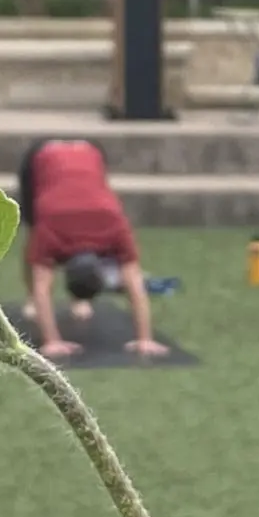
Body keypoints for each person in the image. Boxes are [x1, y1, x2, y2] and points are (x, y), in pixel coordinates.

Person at [15, 137, 168, 360]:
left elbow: (44, 286)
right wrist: (145, 338)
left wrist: (53, 342)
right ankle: (37, 300)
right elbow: (135, 283)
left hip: (89, 154)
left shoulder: (115, 225)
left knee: (38, 251)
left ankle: (79, 300)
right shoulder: (54, 230)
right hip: (46, 155)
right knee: (32, 233)